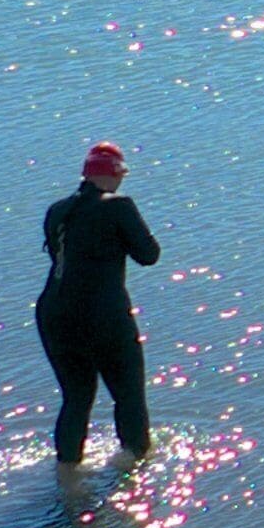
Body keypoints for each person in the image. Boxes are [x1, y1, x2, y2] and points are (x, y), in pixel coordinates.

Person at [36, 142, 159, 465]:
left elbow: (64, 258)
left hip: (55, 314)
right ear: (113, 174)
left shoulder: (57, 210)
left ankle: (67, 471)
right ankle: (137, 463)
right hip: (103, 315)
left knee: (76, 398)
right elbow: (149, 255)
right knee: (128, 395)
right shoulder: (119, 206)